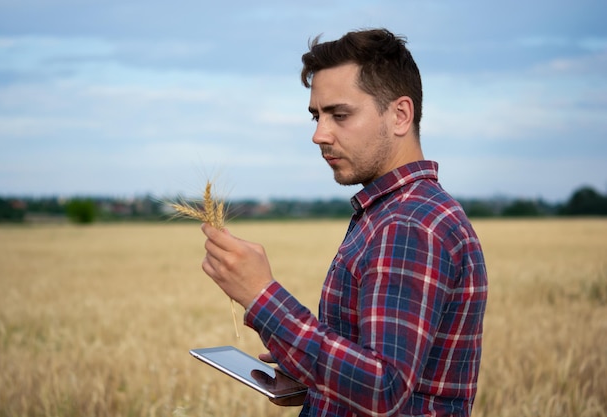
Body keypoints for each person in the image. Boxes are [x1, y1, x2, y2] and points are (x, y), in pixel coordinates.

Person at [200, 28, 488, 417]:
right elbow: (389, 379)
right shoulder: (392, 212)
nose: (319, 134)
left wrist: (260, 295)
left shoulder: (410, 223)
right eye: (317, 115)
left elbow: (383, 389)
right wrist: (312, 375)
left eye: (340, 114)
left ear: (400, 115)